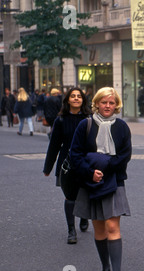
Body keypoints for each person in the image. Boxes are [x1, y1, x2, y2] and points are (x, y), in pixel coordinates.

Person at [70, 87, 132, 271]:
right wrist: (91, 173)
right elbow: (75, 154)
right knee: (99, 229)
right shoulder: (84, 125)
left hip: (114, 181)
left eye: (112, 103)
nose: (108, 106)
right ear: (97, 103)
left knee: (113, 227)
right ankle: (105, 267)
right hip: (90, 182)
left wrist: (104, 169)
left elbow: (124, 155)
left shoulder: (122, 127)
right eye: (104, 102)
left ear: (116, 105)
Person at [43, 87, 92, 244]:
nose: (76, 98)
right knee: (70, 196)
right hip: (66, 164)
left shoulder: (90, 119)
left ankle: (84, 216)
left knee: (85, 193)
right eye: (73, 96)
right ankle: (71, 230)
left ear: (83, 100)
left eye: (79, 96)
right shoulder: (61, 120)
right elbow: (54, 145)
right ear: (68, 100)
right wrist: (48, 167)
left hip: (85, 162)